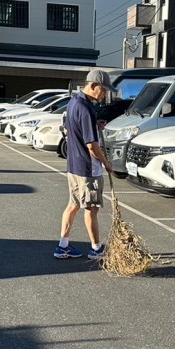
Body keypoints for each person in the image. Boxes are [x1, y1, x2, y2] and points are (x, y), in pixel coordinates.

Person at [55, 69, 115, 259]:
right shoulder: (86, 108)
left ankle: (62, 246)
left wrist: (96, 126)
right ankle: (96, 249)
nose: (105, 94)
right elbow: (91, 145)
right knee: (91, 209)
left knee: (73, 205)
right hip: (88, 168)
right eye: (104, 90)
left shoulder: (74, 102)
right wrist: (106, 162)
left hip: (74, 165)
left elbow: (78, 130)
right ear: (94, 85)